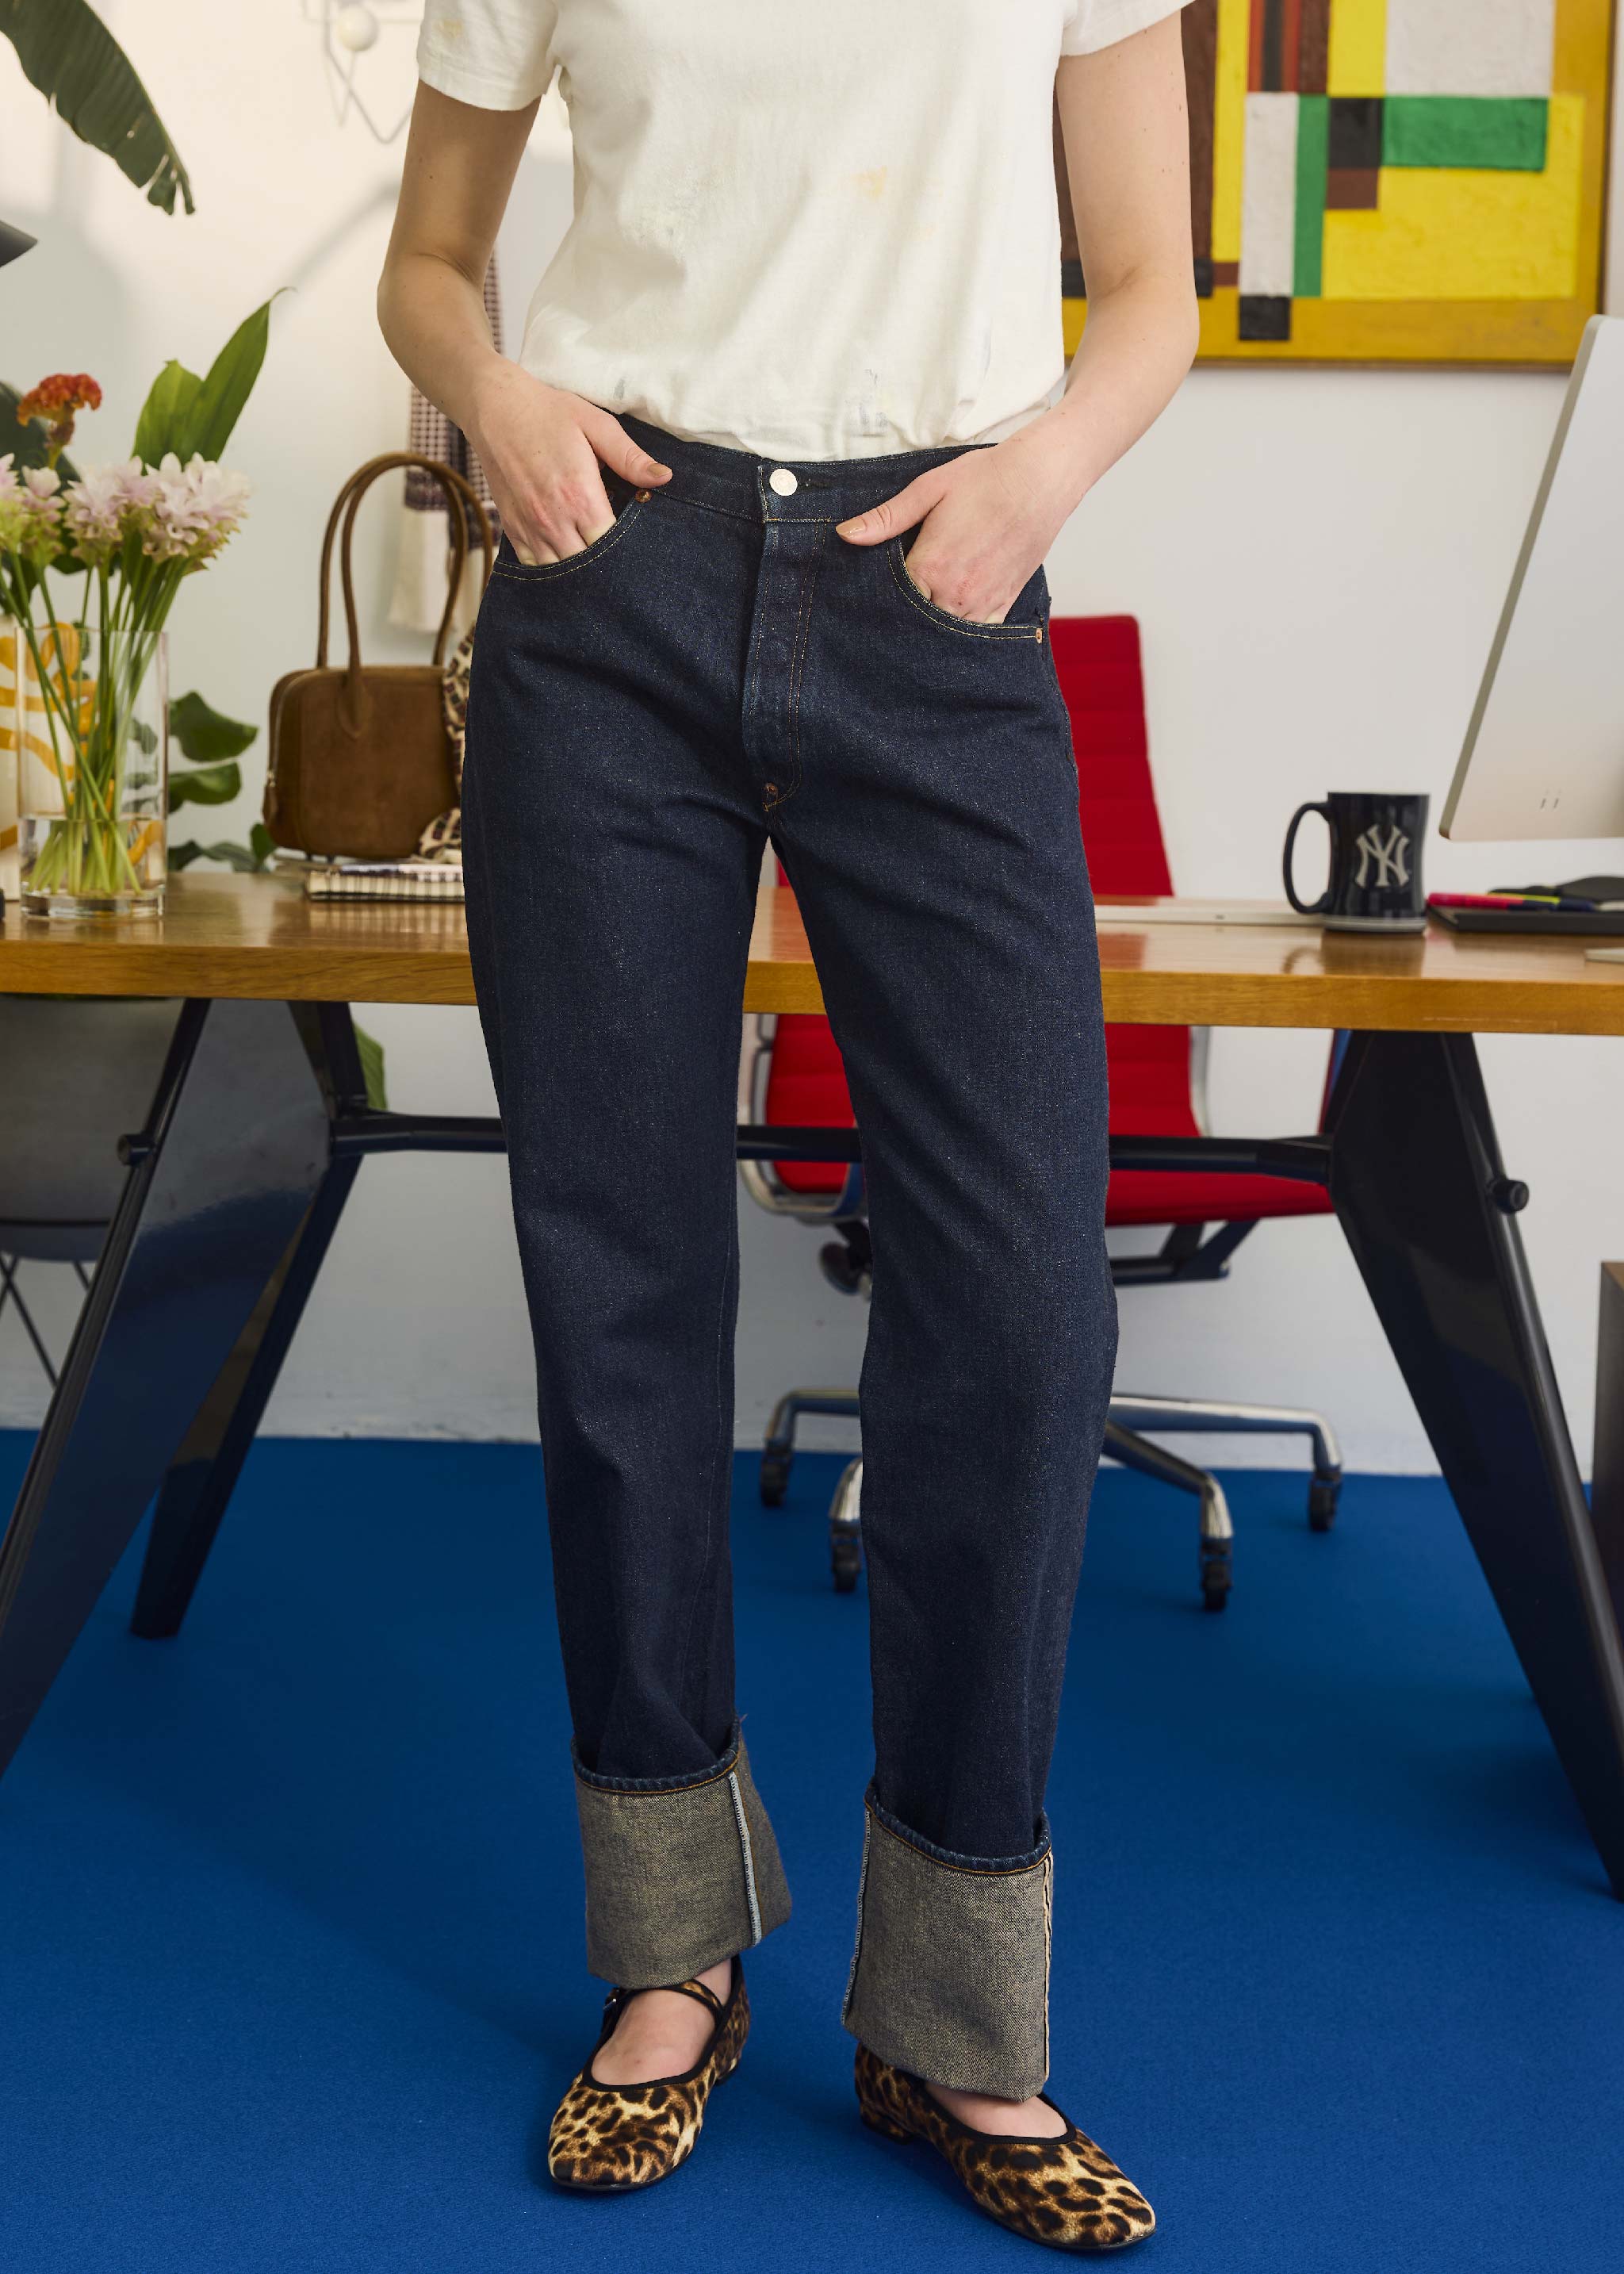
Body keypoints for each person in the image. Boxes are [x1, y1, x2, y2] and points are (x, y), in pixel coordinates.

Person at [381, 1, 1196, 2249]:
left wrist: (1030, 483)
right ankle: (673, 1959)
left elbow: (1152, 285)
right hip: (611, 581)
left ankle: (954, 2014)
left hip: (935, 581)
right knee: (618, 1287)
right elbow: (429, 266)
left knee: (1020, 1313)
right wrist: (498, 403)